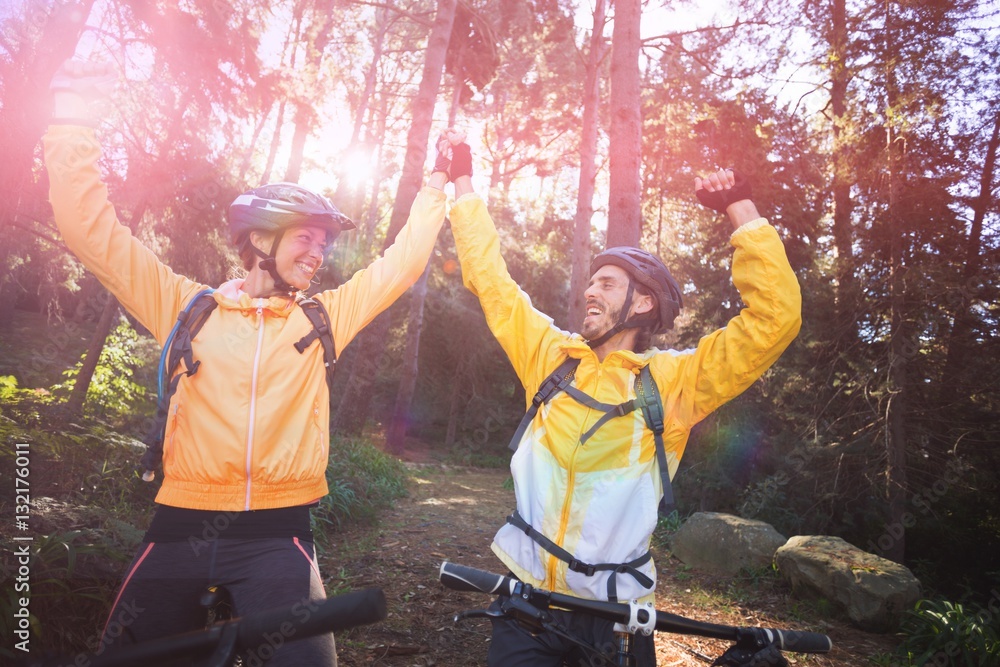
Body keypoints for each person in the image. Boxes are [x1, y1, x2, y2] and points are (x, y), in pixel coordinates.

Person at [44, 59, 451, 665]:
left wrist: (439, 181)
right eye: (305, 239)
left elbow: (403, 263)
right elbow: (91, 231)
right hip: (180, 524)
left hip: (277, 535)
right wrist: (74, 122)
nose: (318, 255)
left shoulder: (321, 319)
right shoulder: (187, 308)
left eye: (324, 243)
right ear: (260, 238)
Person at [436, 132, 801, 666]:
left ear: (643, 301)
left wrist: (738, 208)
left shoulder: (673, 383)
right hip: (524, 604)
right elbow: (491, 282)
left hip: (615, 623)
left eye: (607, 284)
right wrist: (463, 179)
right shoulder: (552, 358)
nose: (590, 292)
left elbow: (774, 321)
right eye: (592, 283)